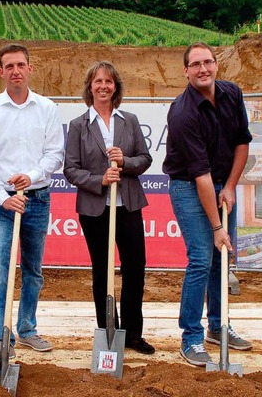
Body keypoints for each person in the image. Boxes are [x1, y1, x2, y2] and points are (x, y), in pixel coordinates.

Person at [0, 43, 65, 365]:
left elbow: (55, 154)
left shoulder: (47, 109)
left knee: (33, 270)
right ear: (1, 72)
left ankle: (26, 328)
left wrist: (31, 175)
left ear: (30, 69)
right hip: (0, 203)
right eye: (9, 66)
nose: (15, 71)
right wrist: (4, 197)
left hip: (37, 199)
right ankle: (0, 338)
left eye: (20, 65)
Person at [162, 42, 253, 366]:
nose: (203, 69)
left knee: (222, 258)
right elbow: (200, 175)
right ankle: (191, 337)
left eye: (208, 62)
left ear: (216, 65)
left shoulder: (232, 93)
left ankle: (218, 326)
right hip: (189, 185)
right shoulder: (183, 112)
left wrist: (229, 186)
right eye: (195, 64)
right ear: (186, 71)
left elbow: (242, 143)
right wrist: (217, 227)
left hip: (221, 180)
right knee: (202, 257)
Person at [64, 61, 155, 355]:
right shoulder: (79, 125)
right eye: (97, 81)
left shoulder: (129, 120)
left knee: (134, 268)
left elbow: (145, 159)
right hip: (94, 208)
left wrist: (125, 161)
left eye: (109, 81)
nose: (103, 86)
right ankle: (108, 332)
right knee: (102, 270)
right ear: (89, 87)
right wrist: (99, 179)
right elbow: (70, 169)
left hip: (127, 205)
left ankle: (132, 334)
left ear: (116, 87)